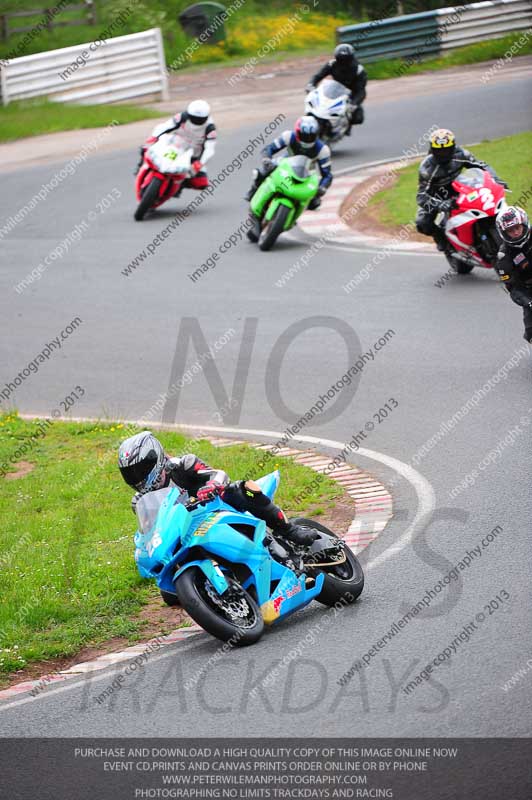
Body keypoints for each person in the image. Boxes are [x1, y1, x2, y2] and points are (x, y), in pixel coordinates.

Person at [118, 431, 318, 548]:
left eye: (140, 470)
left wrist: (211, 487)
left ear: (155, 459)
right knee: (169, 595)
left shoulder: (184, 465)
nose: (137, 477)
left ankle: (290, 530)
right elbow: (152, 532)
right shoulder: (139, 501)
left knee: (244, 489)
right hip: (188, 531)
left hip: (218, 508)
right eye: (131, 473)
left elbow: (218, 474)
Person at [416, 128, 507, 253]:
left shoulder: (461, 154)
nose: (443, 153)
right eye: (439, 151)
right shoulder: (427, 168)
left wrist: (496, 179)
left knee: (486, 203)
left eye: (446, 150)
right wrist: (441, 204)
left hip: (459, 187)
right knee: (422, 223)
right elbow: (421, 196)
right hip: (435, 196)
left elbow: (482, 166)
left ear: (453, 147)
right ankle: (442, 240)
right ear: (432, 150)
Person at [245, 116, 332, 211]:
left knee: (315, 202)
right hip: (285, 163)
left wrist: (322, 187)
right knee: (262, 171)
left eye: (310, 136)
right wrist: (266, 159)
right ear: (297, 132)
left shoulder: (323, 150)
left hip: (306, 173)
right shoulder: (289, 136)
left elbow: (327, 175)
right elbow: (269, 149)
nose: (307, 139)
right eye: (304, 136)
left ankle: (294, 213)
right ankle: (253, 190)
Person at [134, 99, 216, 195]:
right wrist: (153, 137)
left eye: (199, 119)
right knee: (146, 147)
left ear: (206, 117)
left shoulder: (210, 128)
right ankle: (141, 166)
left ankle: (179, 186)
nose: (196, 121)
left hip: (193, 154)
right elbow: (164, 127)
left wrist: (200, 163)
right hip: (175, 144)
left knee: (201, 183)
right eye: (193, 118)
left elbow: (209, 149)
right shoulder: (182, 117)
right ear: (189, 114)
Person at [306, 43, 367, 134]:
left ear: (351, 59)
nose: (343, 63)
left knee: (358, 117)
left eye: (346, 61)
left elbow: (361, 91)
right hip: (334, 90)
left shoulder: (359, 70)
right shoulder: (332, 64)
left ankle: (346, 126)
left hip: (352, 94)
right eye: (341, 60)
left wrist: (354, 103)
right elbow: (318, 76)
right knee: (318, 104)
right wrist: (311, 84)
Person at [495, 206, 532, 343]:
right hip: (528, 288)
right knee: (530, 332)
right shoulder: (504, 255)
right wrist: (528, 302)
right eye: (510, 230)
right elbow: (512, 287)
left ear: (524, 224)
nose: (515, 232)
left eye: (517, 227)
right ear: (503, 233)